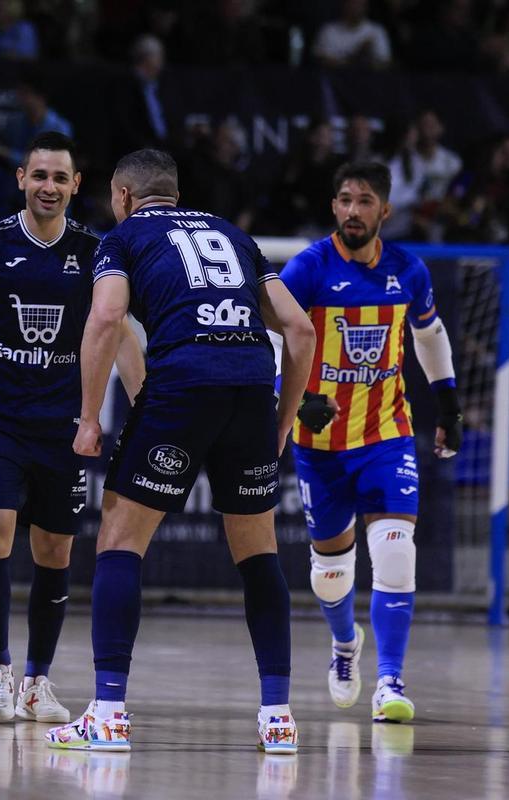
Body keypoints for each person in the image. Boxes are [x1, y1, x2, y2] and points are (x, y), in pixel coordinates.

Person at [45, 149, 316, 753]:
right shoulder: (233, 234)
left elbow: (108, 317)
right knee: (258, 552)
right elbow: (299, 330)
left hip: (182, 383)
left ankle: (109, 712)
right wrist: (281, 420)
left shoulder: (120, 240)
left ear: (122, 196)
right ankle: (278, 717)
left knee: (119, 539)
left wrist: (89, 418)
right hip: (249, 385)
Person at [0, 132, 145, 725]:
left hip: (63, 426)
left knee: (56, 550)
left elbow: (122, 333)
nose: (49, 187)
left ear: (77, 185)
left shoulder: (98, 251)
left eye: (60, 178)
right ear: (21, 180)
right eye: (39, 176)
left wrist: (145, 402)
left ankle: (38, 682)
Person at [279, 161, 463, 724]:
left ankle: (390, 682)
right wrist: (297, 397)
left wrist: (449, 405)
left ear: (384, 210)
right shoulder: (308, 268)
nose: (352, 211)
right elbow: (266, 338)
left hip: (387, 435)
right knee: (330, 574)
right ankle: (343, 647)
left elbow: (429, 337)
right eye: (343, 200)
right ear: (333, 207)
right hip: (319, 443)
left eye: (364, 202)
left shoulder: (408, 270)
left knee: (394, 555)